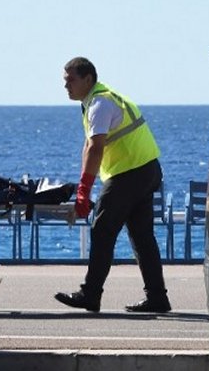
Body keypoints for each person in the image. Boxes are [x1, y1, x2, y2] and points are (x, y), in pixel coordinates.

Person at [54, 57, 171, 313]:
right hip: (147, 169)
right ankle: (157, 297)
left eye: (70, 80)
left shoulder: (100, 103)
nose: (66, 86)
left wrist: (83, 192)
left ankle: (90, 294)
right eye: (65, 81)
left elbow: (95, 149)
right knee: (142, 236)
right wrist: (83, 189)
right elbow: (89, 147)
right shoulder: (99, 100)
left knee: (102, 231)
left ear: (88, 79)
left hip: (129, 172)